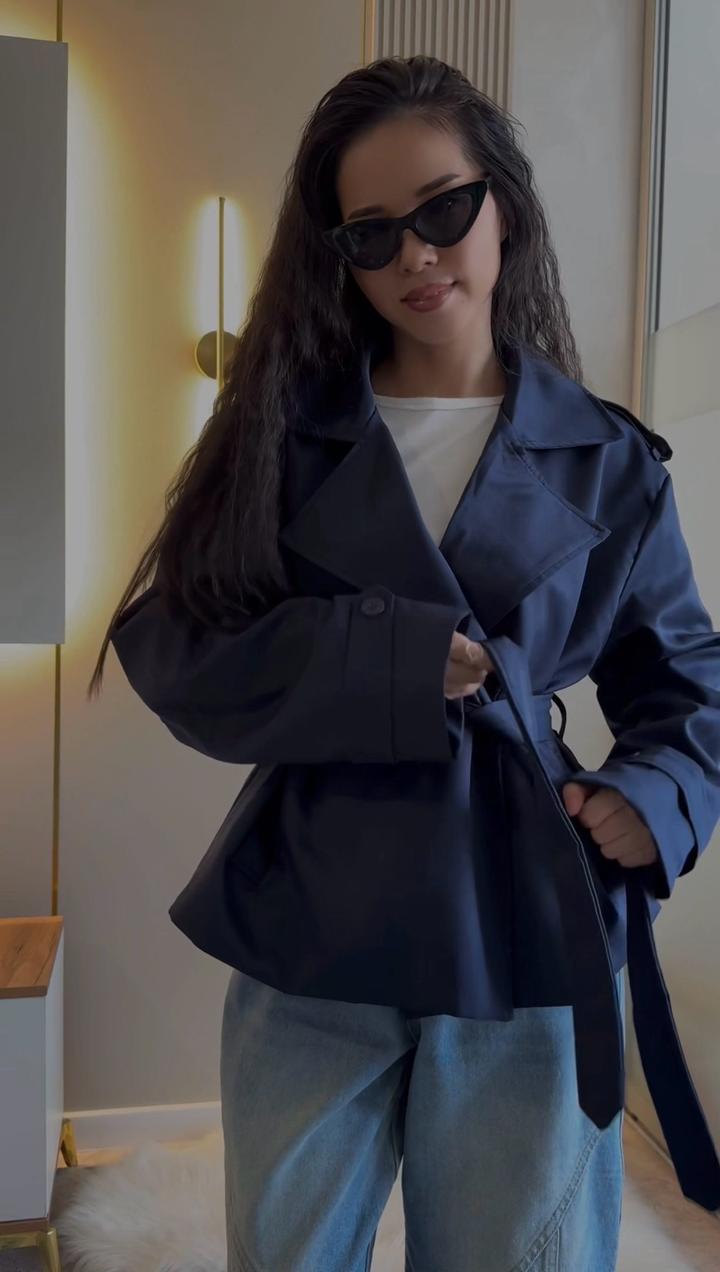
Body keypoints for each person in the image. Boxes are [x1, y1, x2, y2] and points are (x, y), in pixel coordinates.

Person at [89, 55, 720, 1271]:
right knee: (288, 1250)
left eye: (443, 210)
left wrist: (657, 793)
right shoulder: (278, 436)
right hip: (319, 902)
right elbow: (178, 644)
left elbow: (687, 678)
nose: (417, 257)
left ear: (504, 206)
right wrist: (385, 662)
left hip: (524, 908)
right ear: (338, 255)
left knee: (517, 1251)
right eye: (372, 234)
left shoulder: (608, 460)